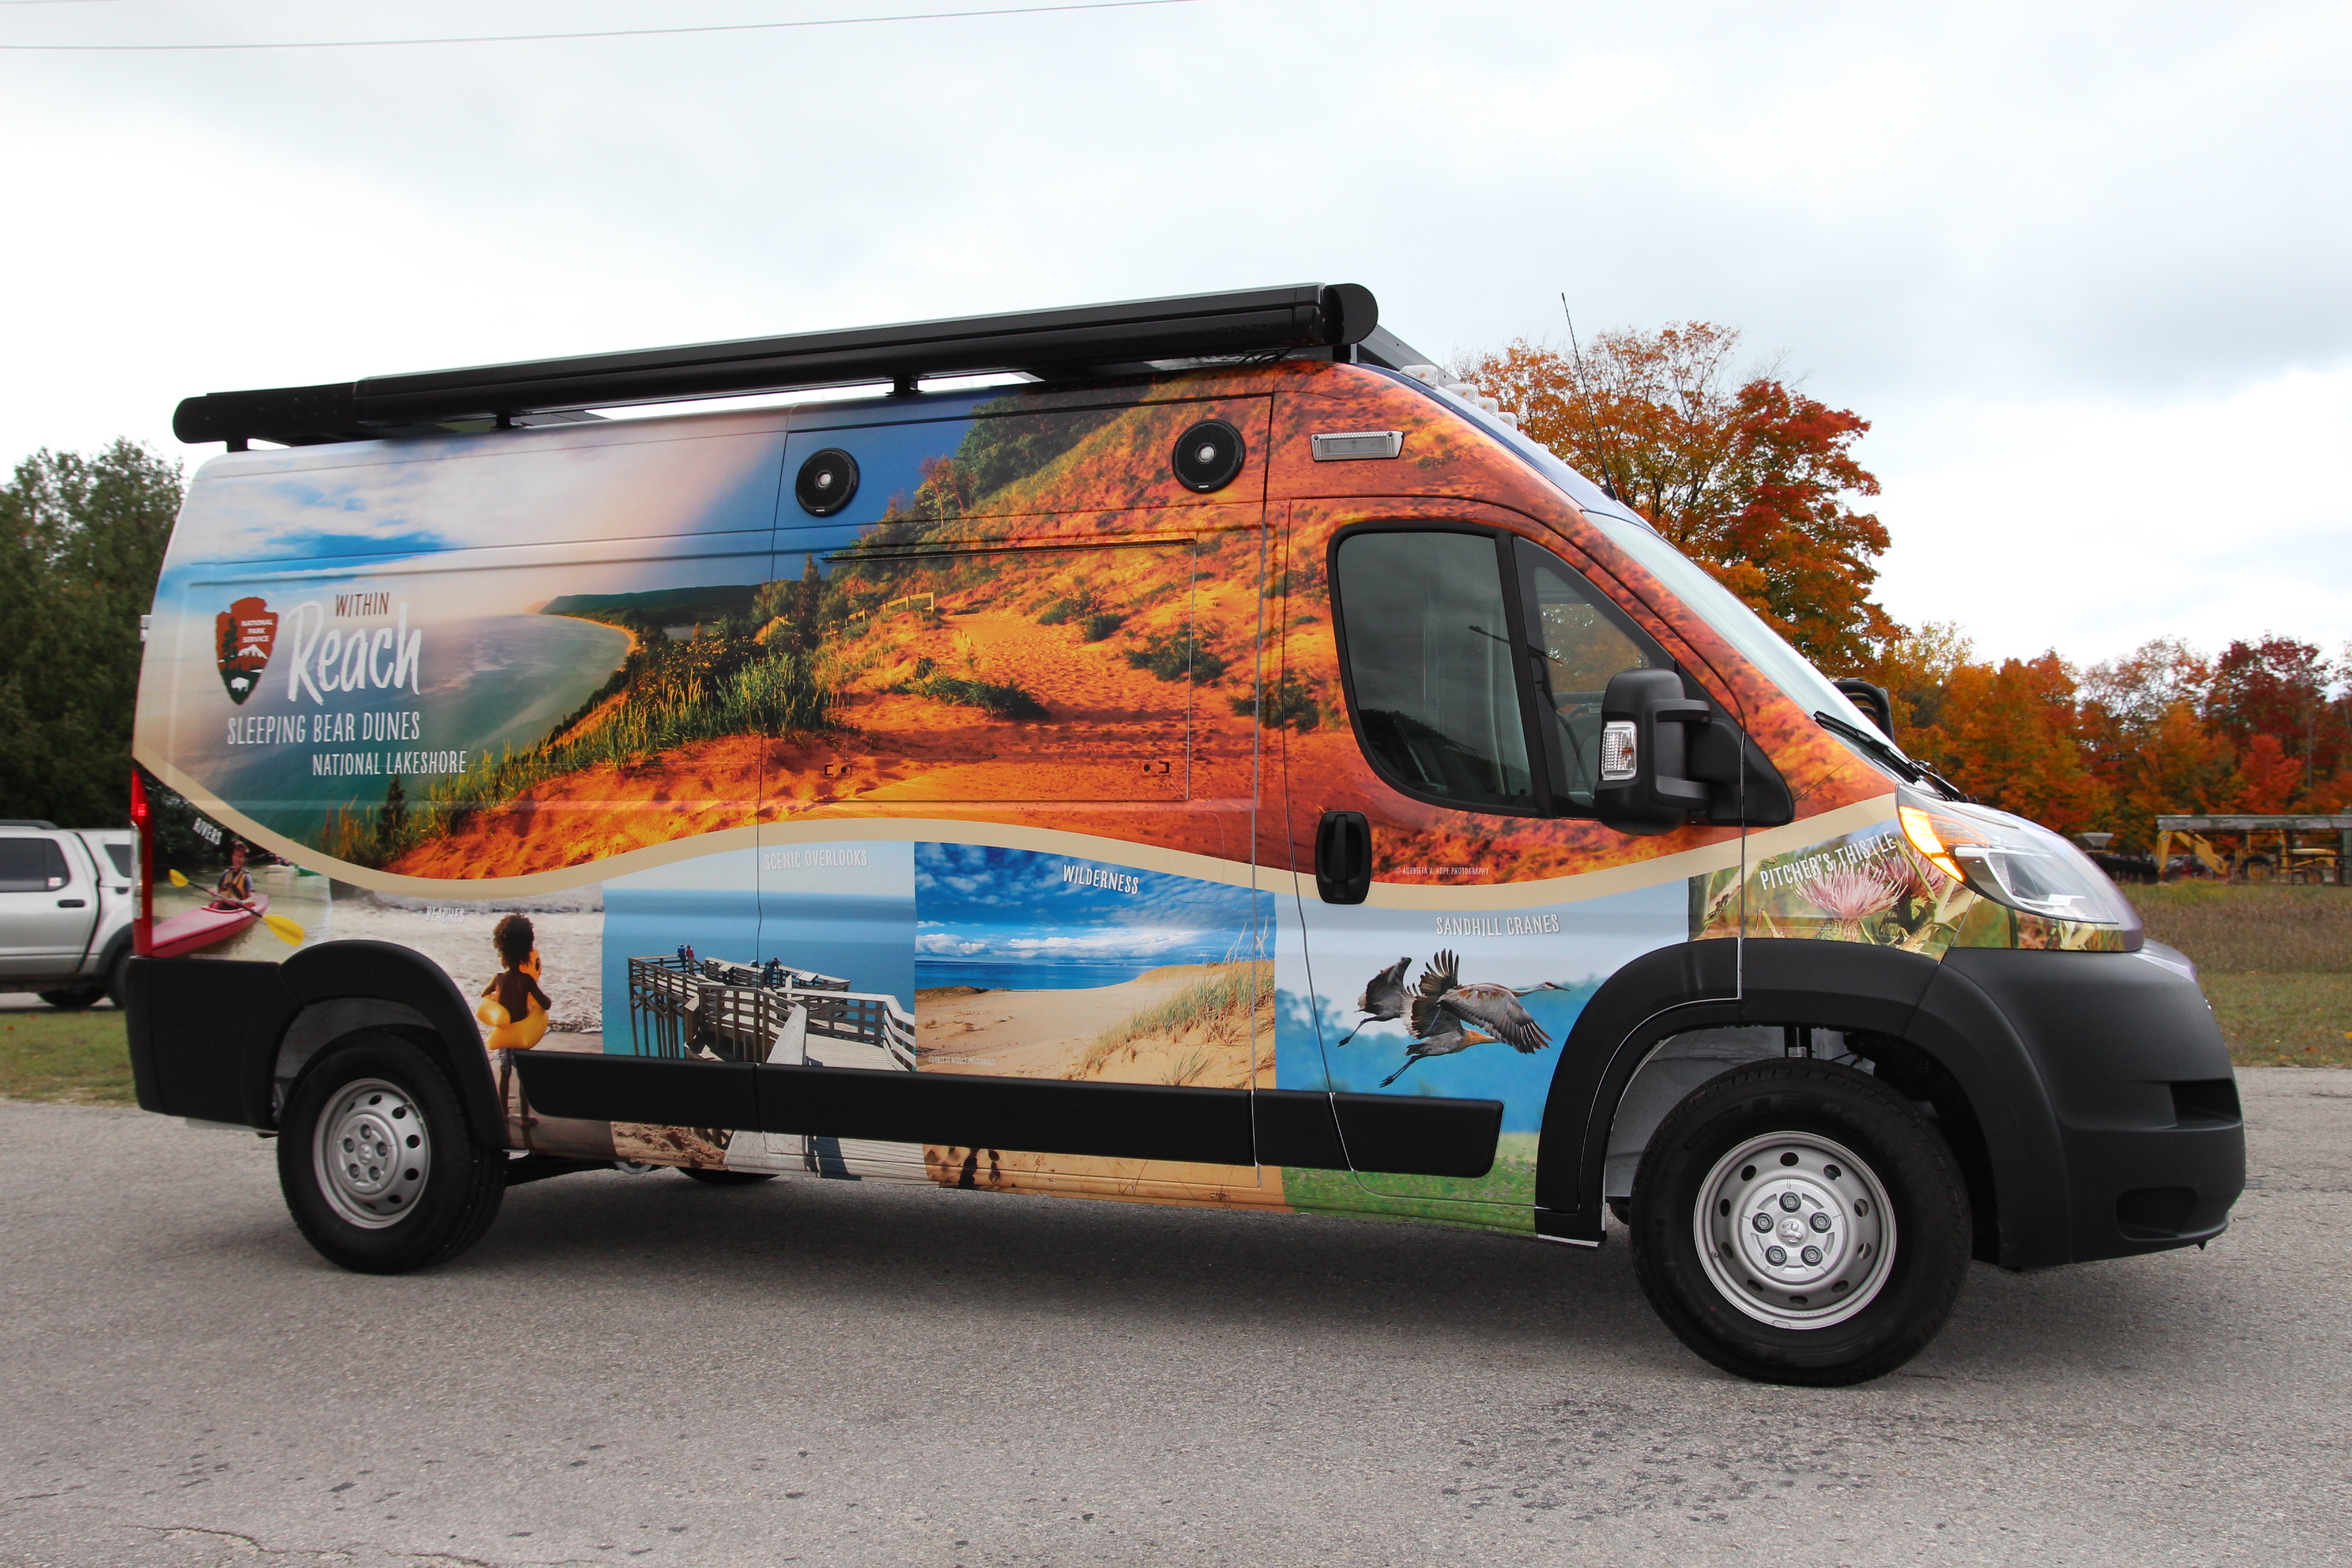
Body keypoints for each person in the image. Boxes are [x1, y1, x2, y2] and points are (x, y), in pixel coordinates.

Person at [477, 913, 552, 1050]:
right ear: (525, 955)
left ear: (502, 953)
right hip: (521, 1032)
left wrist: (495, 1000)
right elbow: (546, 1004)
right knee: (520, 1061)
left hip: (504, 1033)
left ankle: (504, 1069)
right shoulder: (526, 980)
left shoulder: (498, 978)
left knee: (505, 1062)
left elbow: (484, 995)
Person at [212, 840, 261, 911]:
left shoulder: (246, 877)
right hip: (223, 907)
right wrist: (214, 891)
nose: (237, 859)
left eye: (240, 856)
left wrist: (240, 902)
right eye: (235, 855)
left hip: (237, 909)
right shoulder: (226, 873)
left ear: (244, 859)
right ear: (232, 856)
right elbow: (217, 889)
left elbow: (253, 901)